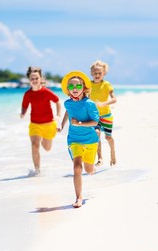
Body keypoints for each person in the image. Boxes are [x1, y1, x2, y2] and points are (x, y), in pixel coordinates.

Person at [58, 71, 99, 208]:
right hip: (74, 140)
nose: (75, 89)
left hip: (90, 140)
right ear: (67, 89)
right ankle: (78, 197)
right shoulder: (67, 103)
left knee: (89, 170)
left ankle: (93, 167)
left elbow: (95, 122)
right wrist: (62, 125)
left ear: (84, 88)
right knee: (77, 168)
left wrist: (80, 124)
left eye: (78, 86)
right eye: (71, 87)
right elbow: (69, 111)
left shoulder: (89, 104)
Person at [20, 66, 62, 175]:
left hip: (49, 124)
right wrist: (23, 113)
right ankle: (37, 170)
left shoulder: (46, 92)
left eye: (36, 78)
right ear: (29, 80)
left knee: (47, 148)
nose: (34, 81)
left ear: (40, 79)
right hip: (35, 124)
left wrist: (58, 115)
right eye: (32, 79)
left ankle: (43, 140)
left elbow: (57, 101)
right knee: (34, 145)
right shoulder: (27, 94)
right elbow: (24, 106)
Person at [89, 60, 117, 166]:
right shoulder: (89, 85)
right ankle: (100, 158)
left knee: (108, 137)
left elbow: (114, 99)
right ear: (91, 73)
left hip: (106, 116)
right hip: (95, 116)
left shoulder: (106, 85)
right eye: (95, 73)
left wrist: (104, 104)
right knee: (96, 135)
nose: (97, 75)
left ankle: (112, 153)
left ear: (104, 73)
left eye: (99, 73)